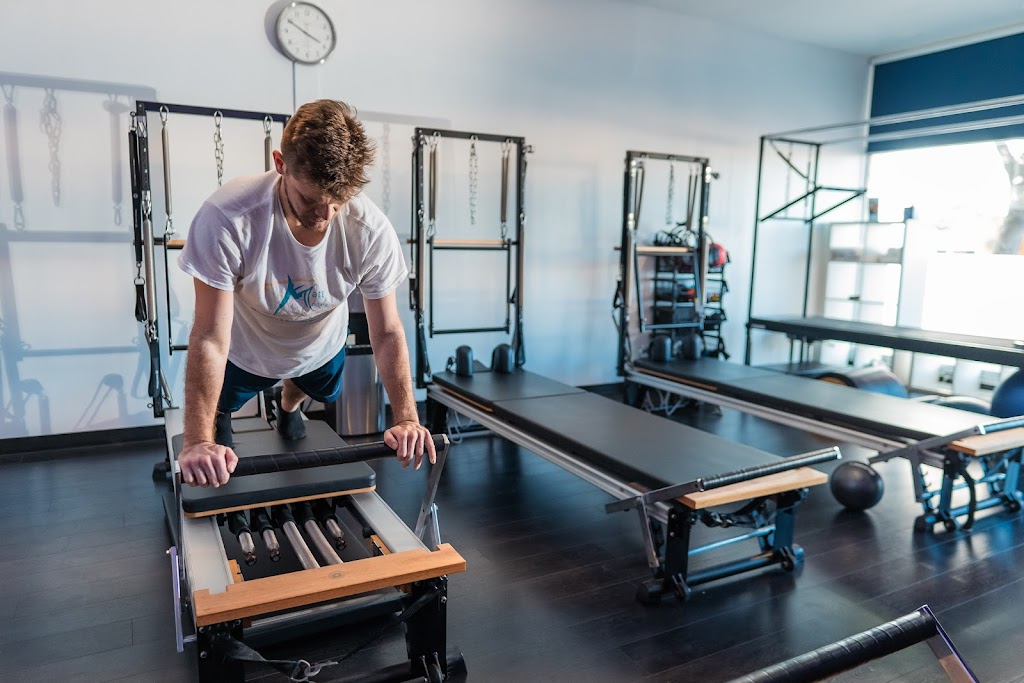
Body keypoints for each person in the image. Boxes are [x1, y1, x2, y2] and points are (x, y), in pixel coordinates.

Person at [176, 99, 434, 488]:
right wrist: (197, 441)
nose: (325, 215)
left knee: (316, 389)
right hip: (247, 349)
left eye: (337, 201)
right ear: (281, 164)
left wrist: (407, 419)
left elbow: (387, 332)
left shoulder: (369, 230)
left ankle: (287, 403)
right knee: (219, 419)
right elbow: (210, 337)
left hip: (321, 345)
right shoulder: (228, 218)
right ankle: (221, 420)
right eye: (311, 199)